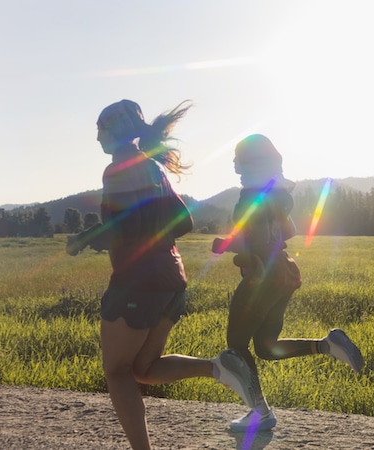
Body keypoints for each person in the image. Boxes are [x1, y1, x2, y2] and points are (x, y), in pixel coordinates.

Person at [67, 99, 259, 450]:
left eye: (100, 129)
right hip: (172, 279)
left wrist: (83, 239)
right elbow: (184, 221)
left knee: (117, 371)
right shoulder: (155, 169)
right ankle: (219, 367)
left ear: (115, 131)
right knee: (143, 368)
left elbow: (121, 227)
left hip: (136, 281)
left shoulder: (118, 169)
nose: (96, 138)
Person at [212, 134, 363, 432]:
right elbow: (289, 231)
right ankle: (327, 345)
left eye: (238, 156)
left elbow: (256, 238)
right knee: (266, 347)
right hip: (283, 271)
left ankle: (260, 414)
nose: (234, 161)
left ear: (252, 162)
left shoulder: (251, 194)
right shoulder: (276, 193)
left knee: (236, 345)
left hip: (262, 275)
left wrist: (225, 244)